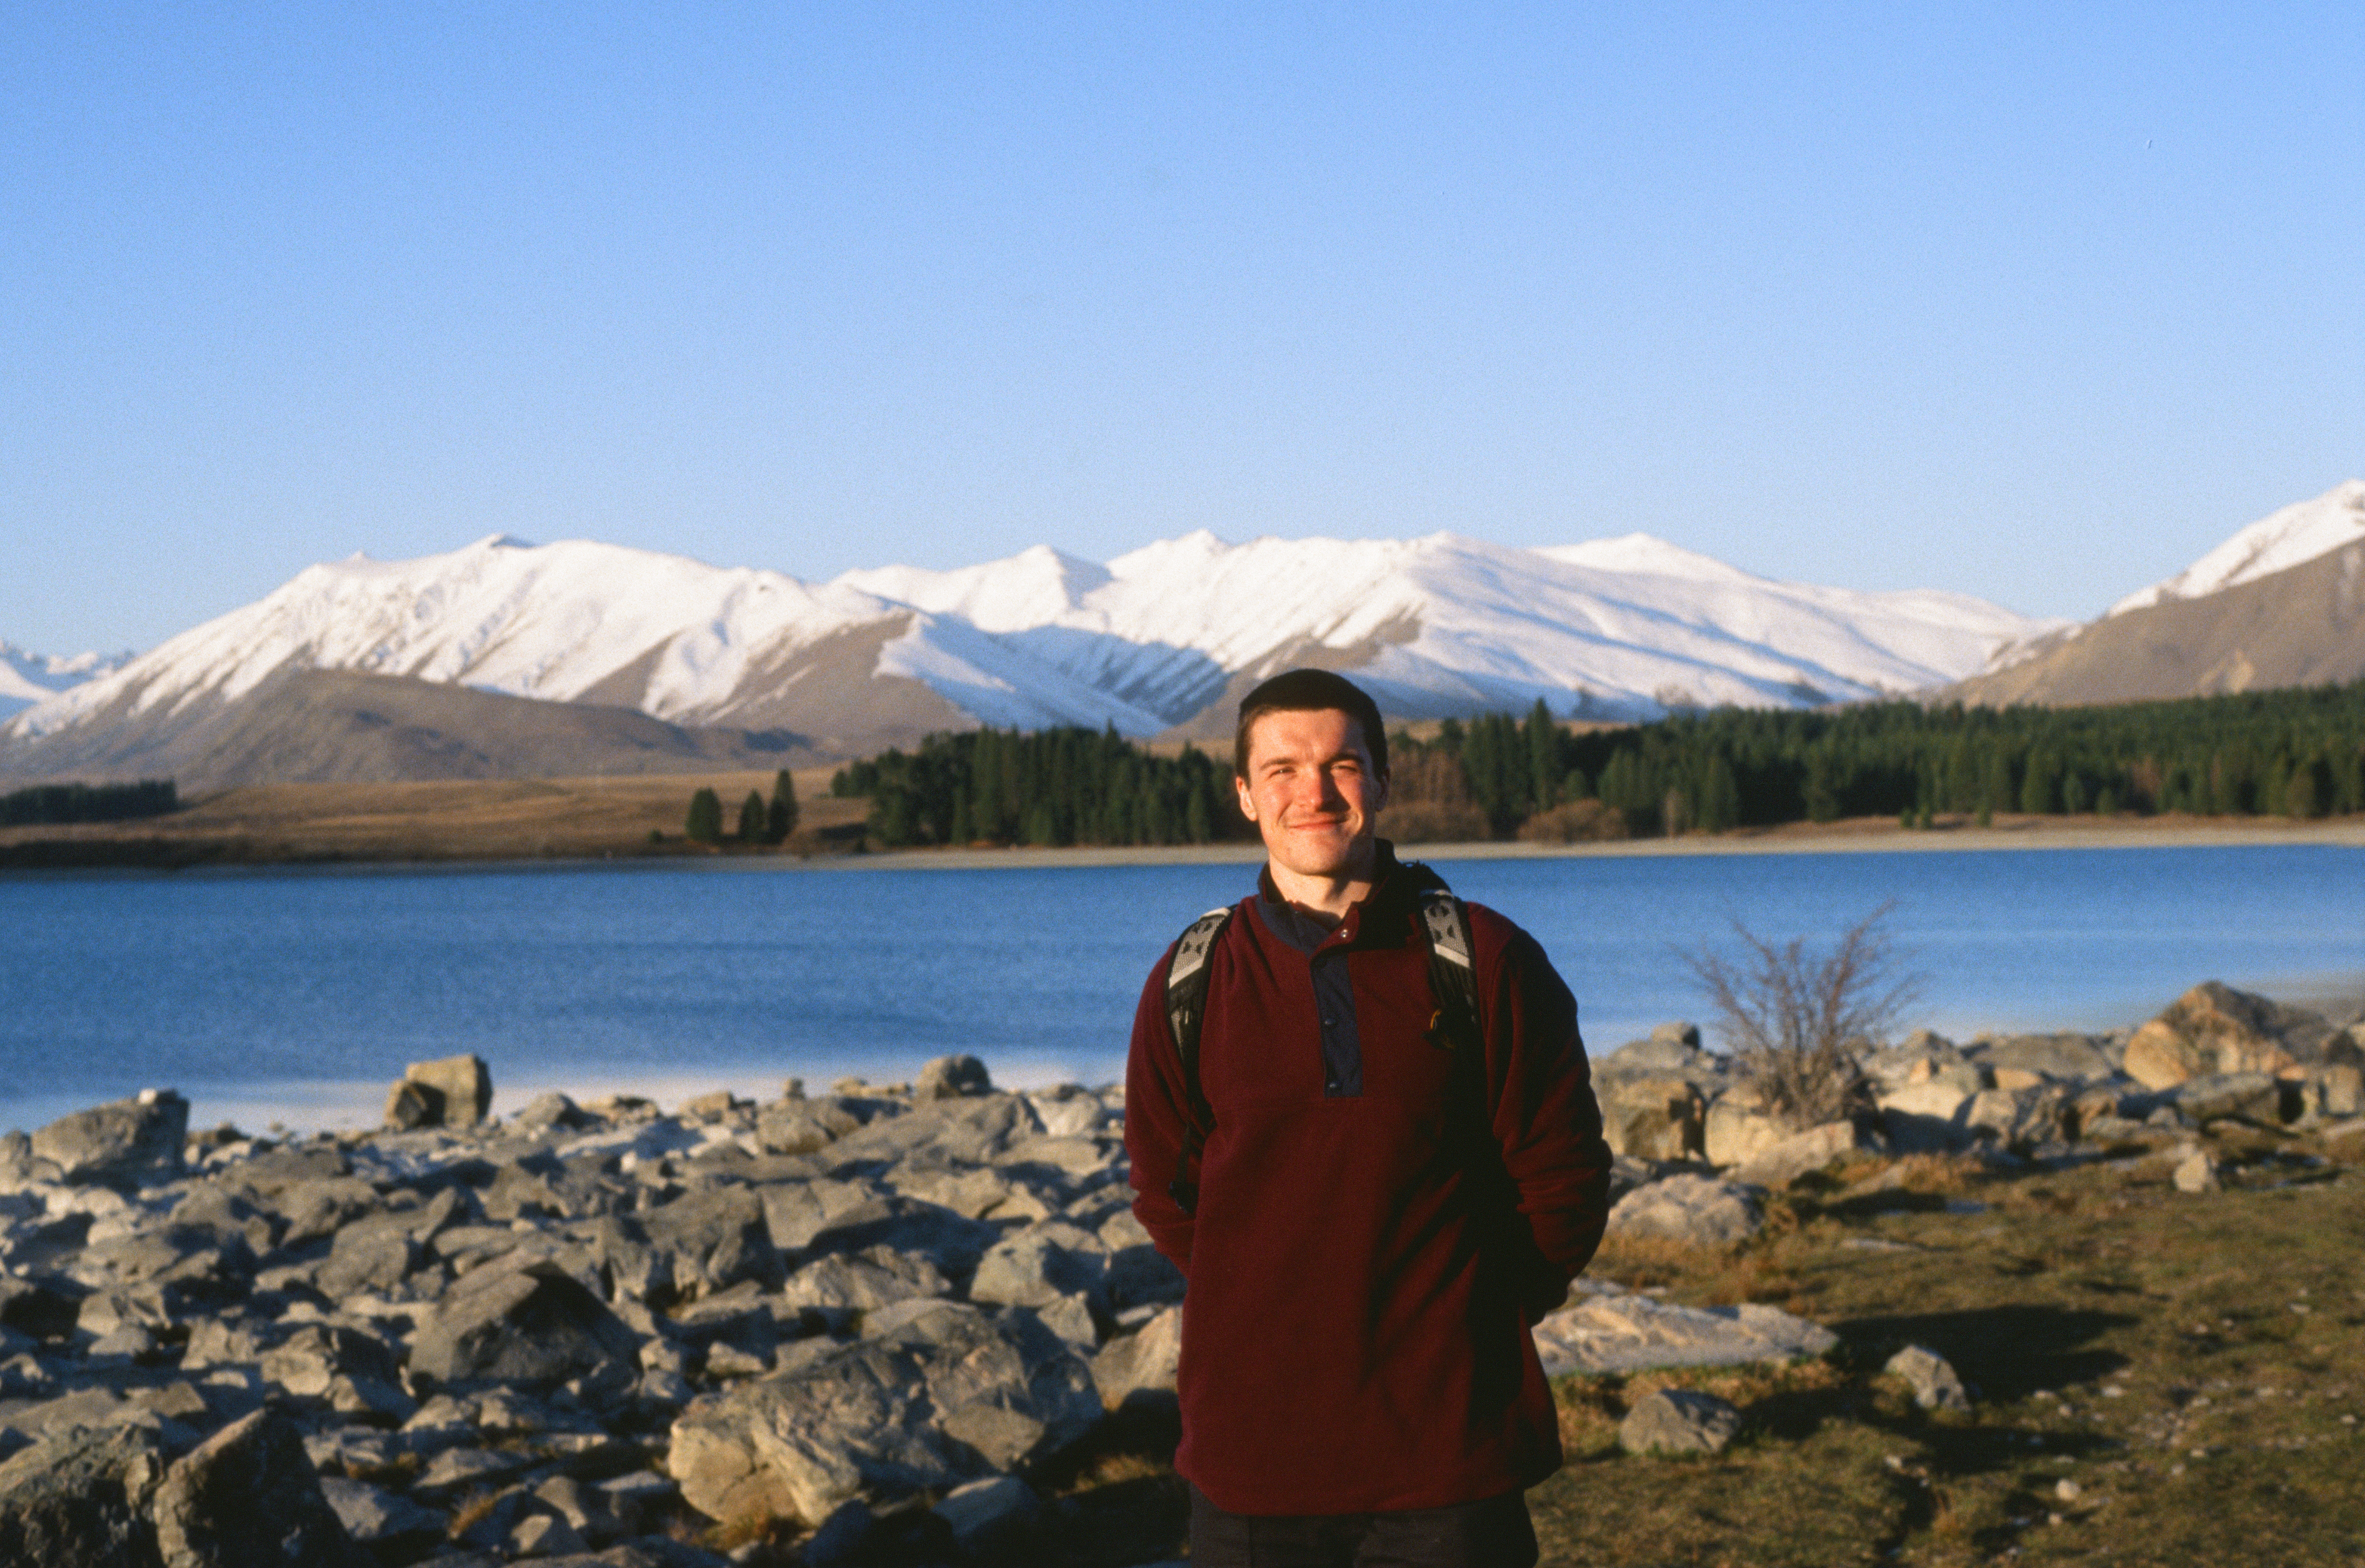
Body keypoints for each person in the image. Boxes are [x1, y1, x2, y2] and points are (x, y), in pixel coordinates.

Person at [1125, 668, 1614, 1568]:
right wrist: (1267, 1302)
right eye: (1281, 770)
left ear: (1382, 783)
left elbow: (1563, 1179)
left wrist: (1471, 1320)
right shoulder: (1195, 978)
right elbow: (1167, 1192)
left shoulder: (1483, 958)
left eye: (1341, 765)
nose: (1312, 792)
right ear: (1244, 796)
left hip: (1447, 1462)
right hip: (1251, 1466)